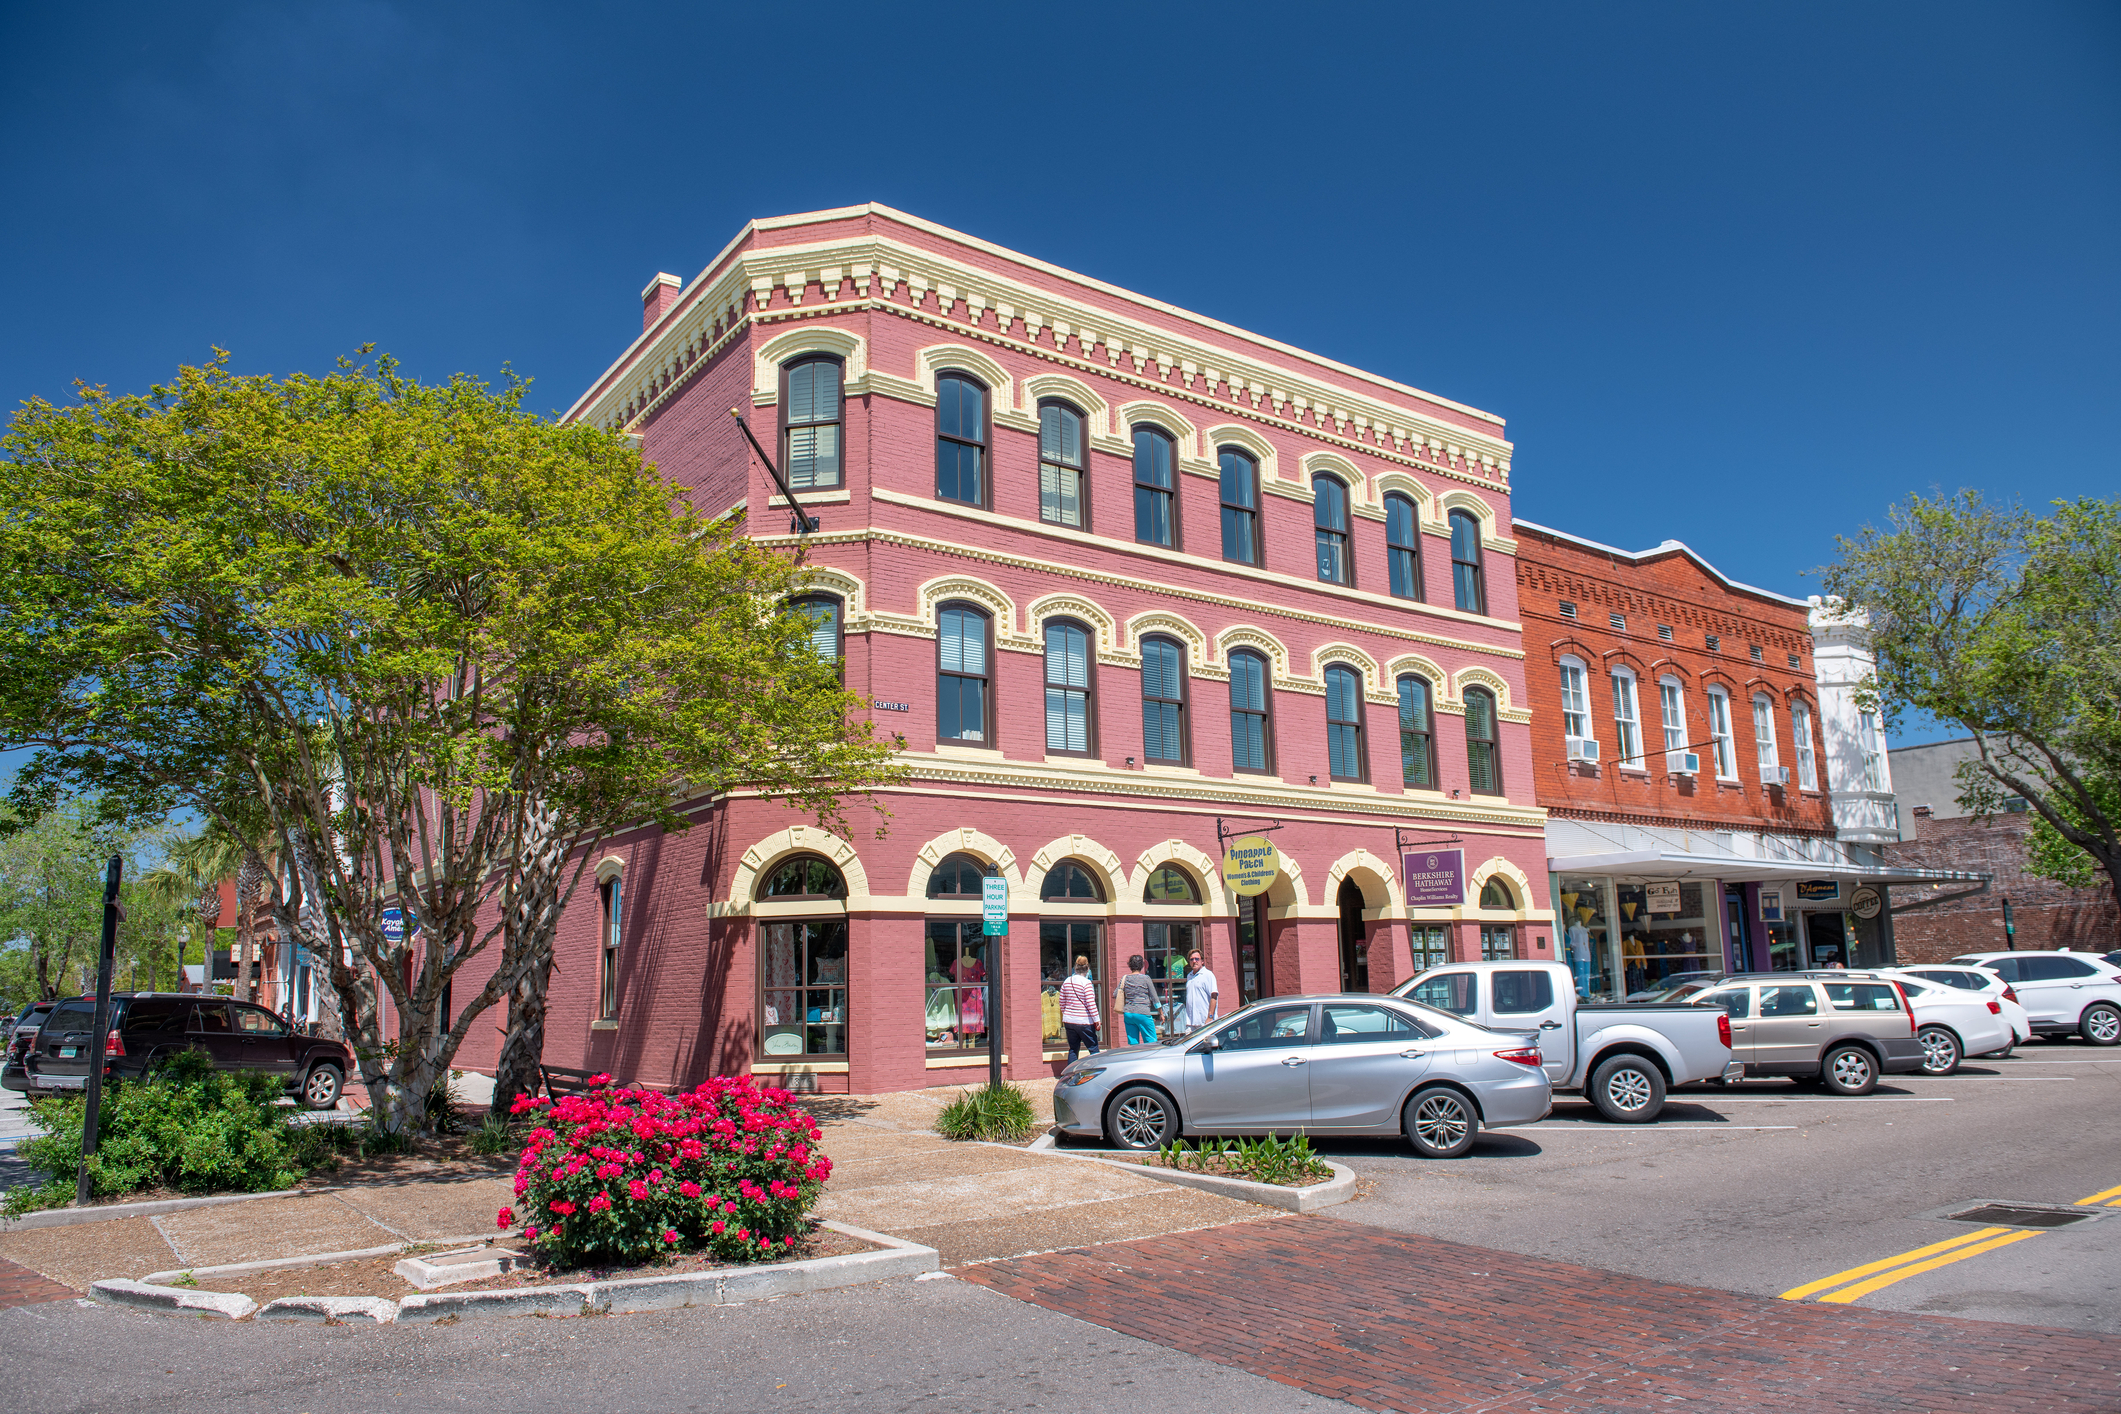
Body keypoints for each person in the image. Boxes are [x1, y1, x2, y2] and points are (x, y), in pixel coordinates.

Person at [1057, 955, 1101, 1062]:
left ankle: (1070, 1075)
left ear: (1075, 968)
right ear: (1087, 969)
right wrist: (1097, 1020)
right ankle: (1097, 1071)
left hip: (1069, 1021)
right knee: (1093, 1048)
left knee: (1073, 1049)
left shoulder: (1067, 981)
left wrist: (1067, 1013)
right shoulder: (1087, 983)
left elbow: (1061, 1001)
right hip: (1084, 1021)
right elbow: (1091, 1004)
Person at [1117, 955, 1158, 1046]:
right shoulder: (1146, 978)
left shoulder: (1125, 978)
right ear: (1142, 965)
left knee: (1133, 1043)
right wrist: (1161, 1012)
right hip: (1143, 1012)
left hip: (1128, 1013)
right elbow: (1154, 997)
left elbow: (1115, 994)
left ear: (1130, 965)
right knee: (1151, 1042)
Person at [1183, 948, 1219, 1031]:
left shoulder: (1208, 975)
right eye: (1192, 959)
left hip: (1204, 1022)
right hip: (1190, 1023)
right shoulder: (1189, 976)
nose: (1194, 961)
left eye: (1197, 959)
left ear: (1202, 961)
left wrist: (1210, 1017)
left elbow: (1214, 996)